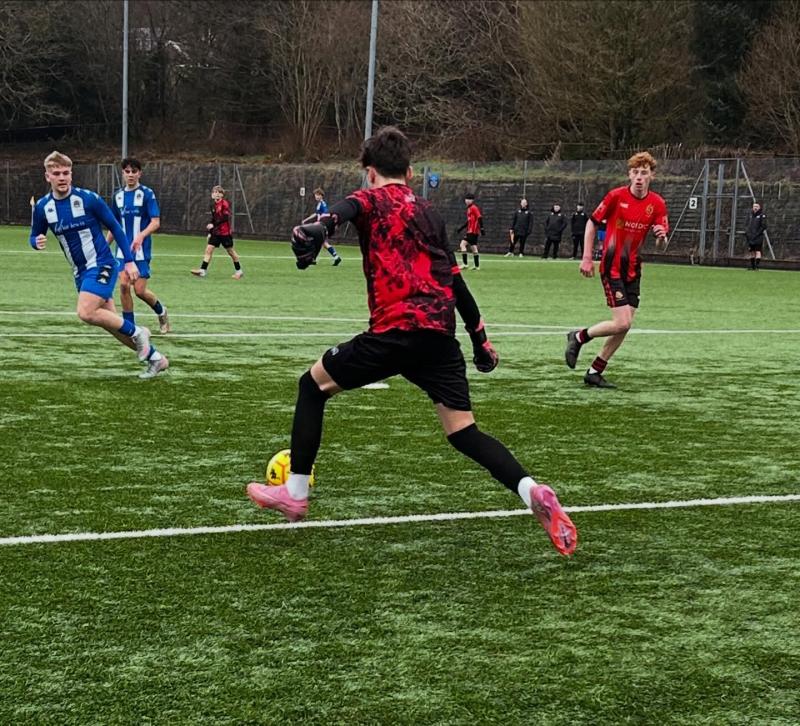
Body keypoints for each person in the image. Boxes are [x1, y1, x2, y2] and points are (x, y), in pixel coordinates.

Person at [246, 126, 577, 556]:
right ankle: (530, 489)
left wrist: (316, 230)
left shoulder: (368, 198)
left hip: (394, 331)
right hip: (440, 335)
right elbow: (456, 283)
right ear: (410, 170)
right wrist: (481, 340)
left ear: (368, 172)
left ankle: (295, 494)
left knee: (312, 386)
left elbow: (338, 214)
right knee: (464, 432)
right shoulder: (430, 213)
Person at [29, 151, 168, 379]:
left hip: (101, 264)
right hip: (80, 272)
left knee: (85, 311)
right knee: (114, 326)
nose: (62, 177)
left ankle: (139, 331)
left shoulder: (88, 199)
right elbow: (34, 235)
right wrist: (36, 241)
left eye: (66, 173)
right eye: (56, 173)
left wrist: (130, 262)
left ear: (71, 174)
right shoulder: (43, 207)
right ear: (48, 177)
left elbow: (116, 228)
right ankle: (156, 359)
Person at [564, 151, 668, 389]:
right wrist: (587, 257)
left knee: (626, 323)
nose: (639, 177)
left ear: (652, 175)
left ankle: (594, 371)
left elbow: (662, 240)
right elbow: (592, 222)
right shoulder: (615, 196)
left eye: (644, 172)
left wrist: (661, 237)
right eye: (635, 172)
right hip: (612, 266)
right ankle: (579, 336)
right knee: (622, 323)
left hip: (633, 268)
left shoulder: (657, 204)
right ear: (629, 174)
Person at [107, 157, 170, 334]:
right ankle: (130, 328)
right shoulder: (117, 196)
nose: (130, 175)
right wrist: (104, 246)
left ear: (139, 173)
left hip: (141, 252)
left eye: (134, 171)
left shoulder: (147, 194)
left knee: (140, 291)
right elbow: (114, 226)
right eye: (127, 171)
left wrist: (141, 236)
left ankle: (162, 312)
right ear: (123, 173)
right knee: (124, 286)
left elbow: (155, 222)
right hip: (122, 251)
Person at [191, 185, 243, 278]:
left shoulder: (224, 204)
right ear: (212, 194)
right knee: (208, 249)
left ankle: (239, 271)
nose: (217, 194)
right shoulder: (212, 205)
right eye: (215, 192)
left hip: (224, 233)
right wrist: (210, 232)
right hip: (216, 232)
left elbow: (225, 217)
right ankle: (203, 271)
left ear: (222, 195)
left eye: (219, 193)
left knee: (230, 252)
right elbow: (214, 218)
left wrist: (213, 225)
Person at [302, 188, 342, 265]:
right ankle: (336, 257)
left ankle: (313, 259)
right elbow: (316, 214)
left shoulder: (322, 204)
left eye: (317, 195)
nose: (316, 197)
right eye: (315, 195)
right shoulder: (320, 204)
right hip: (321, 225)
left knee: (317, 241)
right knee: (322, 243)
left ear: (321, 196)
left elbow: (326, 213)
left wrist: (321, 222)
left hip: (321, 226)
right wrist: (306, 220)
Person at [457, 193, 484, 270]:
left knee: (462, 244)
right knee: (474, 248)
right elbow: (469, 221)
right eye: (466, 199)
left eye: (469, 199)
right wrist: (461, 228)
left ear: (472, 200)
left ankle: (465, 264)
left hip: (472, 231)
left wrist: (482, 228)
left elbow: (479, 217)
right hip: (472, 231)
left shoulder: (473, 208)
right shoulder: (469, 209)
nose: (467, 201)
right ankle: (477, 266)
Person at [745, 202, 767, 270]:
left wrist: (757, 234)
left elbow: (764, 226)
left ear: (759, 207)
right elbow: (747, 225)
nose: (755, 208)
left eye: (757, 206)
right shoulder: (750, 215)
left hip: (758, 237)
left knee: (758, 251)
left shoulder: (762, 215)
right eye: (754, 206)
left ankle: (757, 266)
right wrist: (747, 233)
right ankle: (753, 267)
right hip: (750, 237)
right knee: (751, 251)